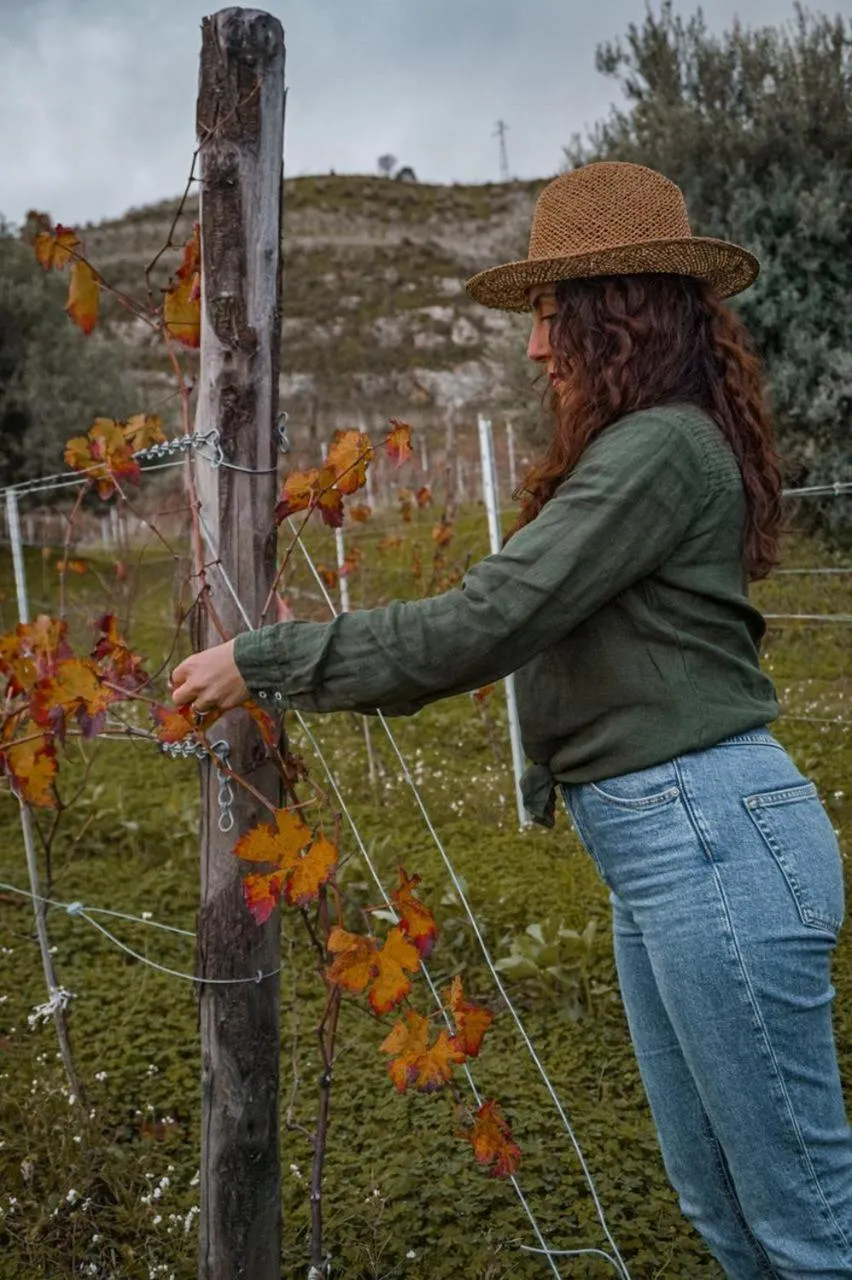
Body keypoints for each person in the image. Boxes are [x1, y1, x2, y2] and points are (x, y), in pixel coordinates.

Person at [170, 161, 852, 1277]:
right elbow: (514, 613)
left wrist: (267, 658)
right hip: (679, 850)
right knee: (725, 1206)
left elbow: (486, 621)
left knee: (806, 1225)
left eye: (548, 316)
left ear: (611, 311)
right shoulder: (650, 447)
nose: (536, 349)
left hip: (714, 844)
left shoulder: (659, 451)